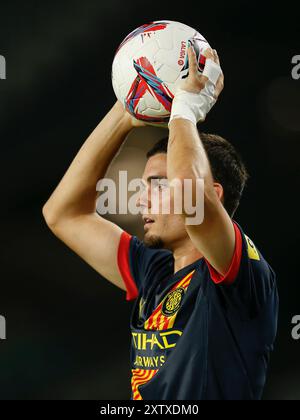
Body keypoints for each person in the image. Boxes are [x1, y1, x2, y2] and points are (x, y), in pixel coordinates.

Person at [42, 46, 278, 400]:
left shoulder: (238, 275)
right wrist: (125, 111)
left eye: (157, 184)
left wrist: (185, 109)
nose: (141, 199)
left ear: (213, 194)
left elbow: (191, 199)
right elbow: (63, 214)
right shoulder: (152, 270)